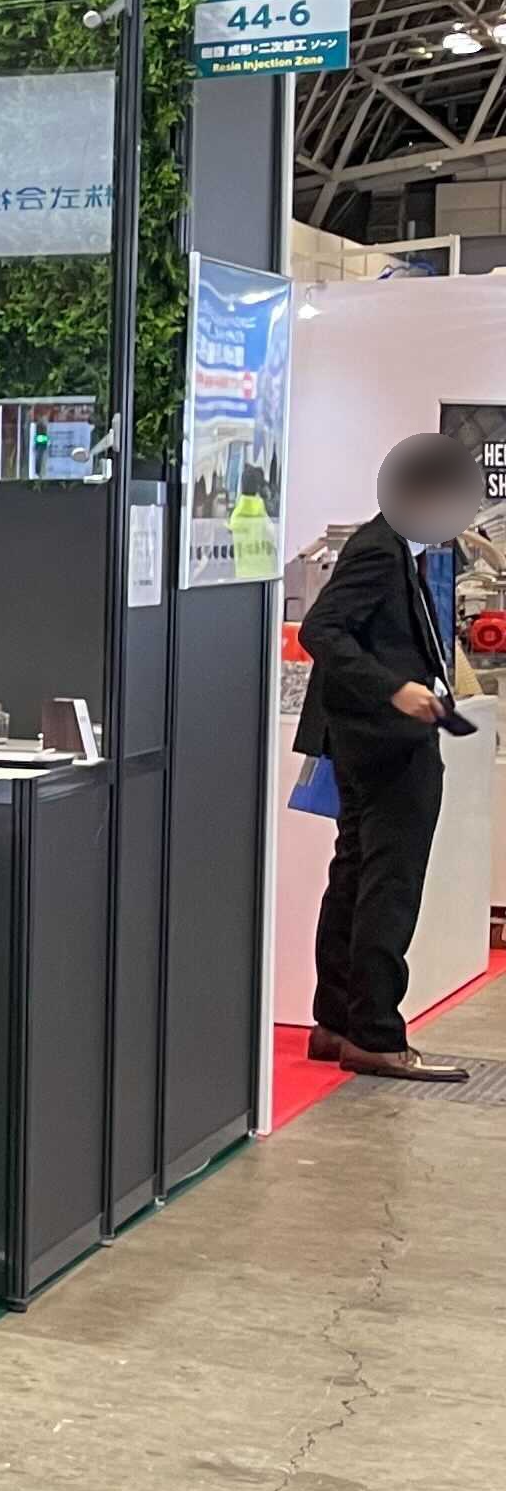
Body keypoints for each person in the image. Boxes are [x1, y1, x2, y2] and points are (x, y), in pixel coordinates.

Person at [297, 433, 477, 1082]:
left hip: (366, 741)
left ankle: (339, 1020)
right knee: (389, 882)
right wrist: (394, 689)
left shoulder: (393, 547)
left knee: (355, 875)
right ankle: (375, 1031)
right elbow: (322, 629)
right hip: (386, 742)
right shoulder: (380, 549)